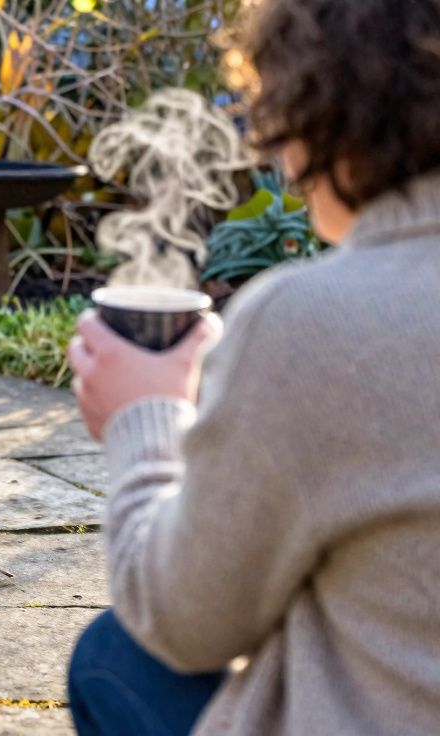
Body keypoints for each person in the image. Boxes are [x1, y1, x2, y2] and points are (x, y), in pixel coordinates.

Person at [65, 1, 440, 734]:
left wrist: (146, 417)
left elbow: (186, 622)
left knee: (115, 657)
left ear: (321, 110)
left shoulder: (312, 324)